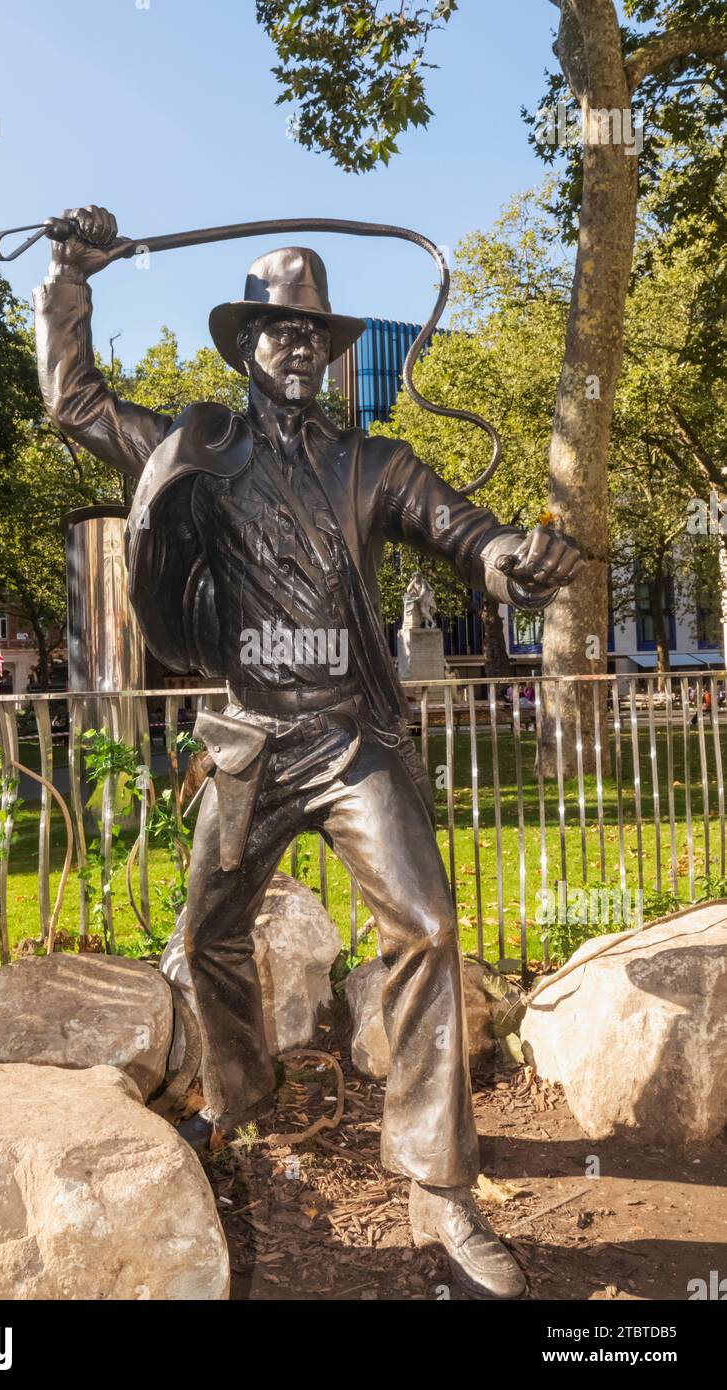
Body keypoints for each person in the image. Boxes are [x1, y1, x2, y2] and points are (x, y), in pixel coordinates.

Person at [33, 205, 583, 1300]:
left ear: (329, 354)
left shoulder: (375, 461)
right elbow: (75, 403)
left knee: (425, 924)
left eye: (312, 335)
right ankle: (239, 1104)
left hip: (348, 738)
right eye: (275, 332)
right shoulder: (198, 447)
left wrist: (511, 556)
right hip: (250, 742)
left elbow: (462, 529)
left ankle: (435, 1184)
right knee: (205, 935)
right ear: (243, 347)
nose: (295, 348)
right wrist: (68, 280)